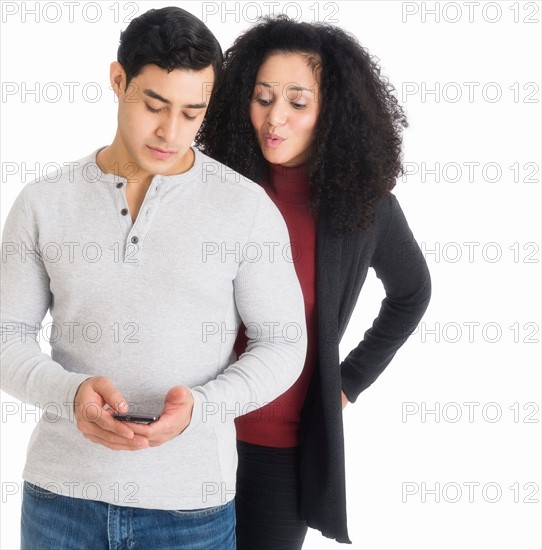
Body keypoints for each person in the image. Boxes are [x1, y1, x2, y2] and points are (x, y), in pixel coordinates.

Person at [0, 7, 307, 550]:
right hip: (59, 501)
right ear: (118, 81)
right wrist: (69, 395)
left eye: (193, 112)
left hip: (190, 507)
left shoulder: (245, 207)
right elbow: (7, 336)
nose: (172, 131)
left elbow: (283, 343)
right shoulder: (42, 202)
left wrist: (204, 408)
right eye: (154, 105)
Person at [196, 15, 432, 549]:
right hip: (195, 436)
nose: (274, 119)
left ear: (332, 113)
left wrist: (348, 380)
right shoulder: (212, 188)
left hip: (284, 450)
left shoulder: (367, 210)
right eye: (262, 98)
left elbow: (412, 293)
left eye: (298, 103)